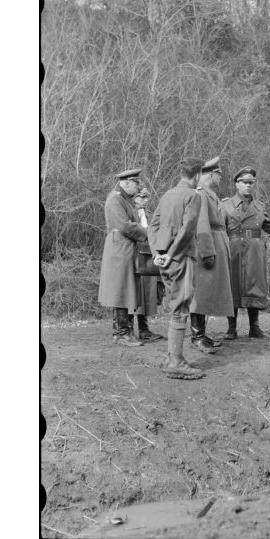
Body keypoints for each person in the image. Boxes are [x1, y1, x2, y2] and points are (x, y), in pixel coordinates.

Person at [222, 166, 270, 339]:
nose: (248, 185)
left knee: (254, 286)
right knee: (232, 285)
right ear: (236, 184)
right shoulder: (225, 205)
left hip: (255, 251)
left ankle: (254, 328)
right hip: (233, 249)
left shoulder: (260, 206)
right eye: (244, 182)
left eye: (251, 182)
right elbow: (219, 229)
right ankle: (231, 329)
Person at [148, 158, 204, 379]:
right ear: (197, 175)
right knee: (181, 306)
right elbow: (187, 229)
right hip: (180, 257)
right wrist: (171, 254)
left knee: (174, 306)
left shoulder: (167, 195)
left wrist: (157, 254)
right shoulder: (193, 196)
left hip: (164, 259)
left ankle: (173, 357)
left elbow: (152, 227)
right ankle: (176, 362)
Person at [98, 168, 148, 347]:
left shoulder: (124, 199)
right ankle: (121, 334)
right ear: (126, 183)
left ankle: (125, 332)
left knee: (126, 289)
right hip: (120, 248)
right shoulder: (115, 199)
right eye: (136, 184)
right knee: (120, 290)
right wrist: (147, 233)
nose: (138, 187)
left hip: (125, 248)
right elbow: (125, 225)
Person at [189, 156, 234, 353]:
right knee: (201, 292)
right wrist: (207, 252)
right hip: (208, 246)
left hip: (217, 243)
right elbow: (202, 226)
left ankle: (202, 335)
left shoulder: (209, 194)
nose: (220, 178)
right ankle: (197, 337)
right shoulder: (200, 194)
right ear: (210, 174)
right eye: (219, 174)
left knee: (208, 292)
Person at [130, 189, 164, 342]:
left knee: (147, 295)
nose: (145, 200)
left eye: (147, 197)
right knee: (131, 294)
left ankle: (144, 329)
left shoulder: (149, 215)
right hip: (133, 257)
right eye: (141, 197)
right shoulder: (129, 213)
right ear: (134, 198)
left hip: (148, 257)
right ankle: (127, 329)